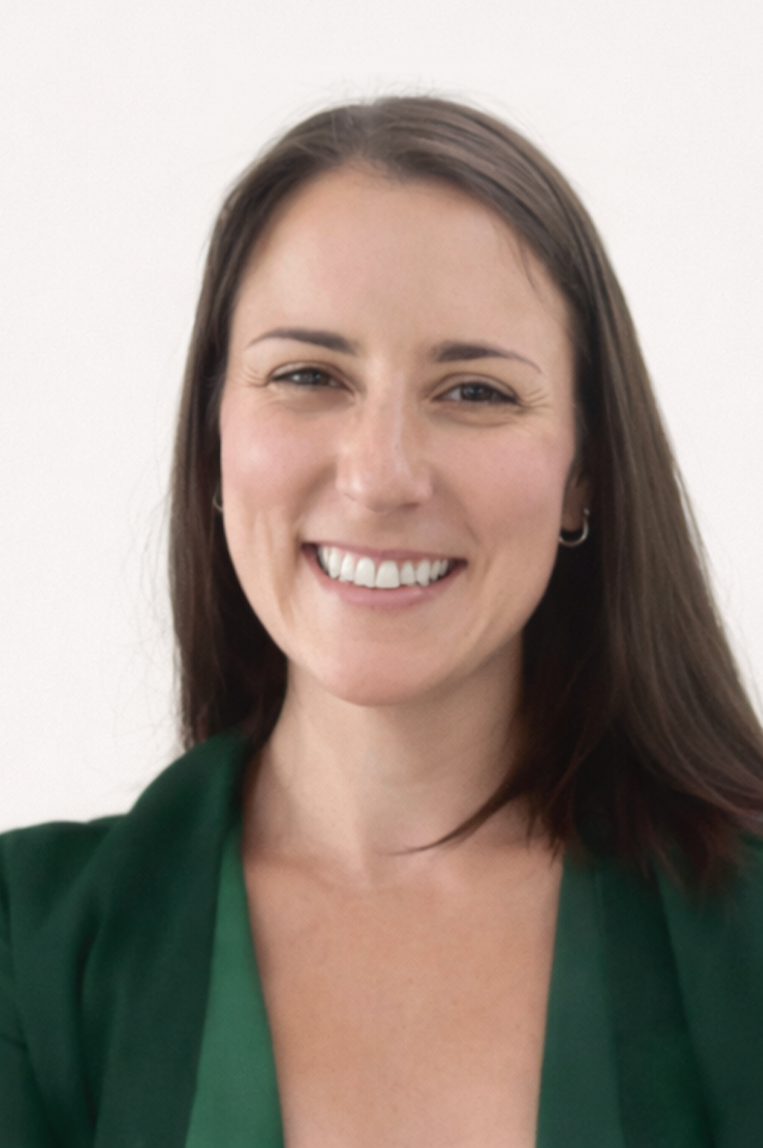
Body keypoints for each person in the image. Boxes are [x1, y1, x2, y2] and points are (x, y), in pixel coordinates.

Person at [2, 94, 763, 1148]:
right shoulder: (22, 955)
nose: (381, 474)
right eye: (308, 375)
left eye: (476, 391)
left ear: (585, 470)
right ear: (215, 440)